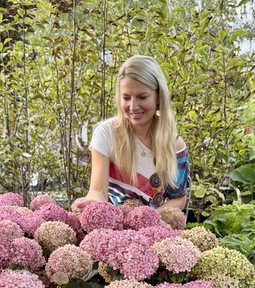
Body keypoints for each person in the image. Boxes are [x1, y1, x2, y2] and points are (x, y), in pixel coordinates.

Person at [72, 55, 189, 212]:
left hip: (154, 223)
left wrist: (150, 218)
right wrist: (93, 205)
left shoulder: (174, 144)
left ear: (158, 97)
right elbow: (98, 191)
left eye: (142, 97)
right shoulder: (106, 133)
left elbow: (178, 198)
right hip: (111, 223)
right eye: (126, 98)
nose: (133, 106)